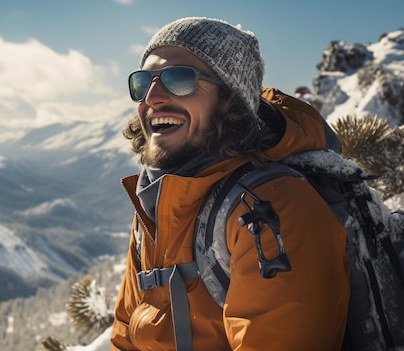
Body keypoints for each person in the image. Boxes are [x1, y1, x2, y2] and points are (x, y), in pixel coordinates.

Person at [111, 17, 350, 350]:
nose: (152, 97)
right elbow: (126, 336)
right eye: (143, 82)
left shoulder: (272, 204)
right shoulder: (157, 203)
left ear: (231, 100)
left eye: (178, 79)